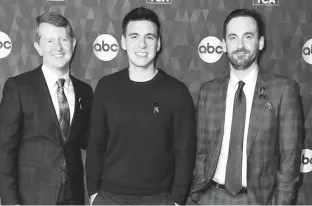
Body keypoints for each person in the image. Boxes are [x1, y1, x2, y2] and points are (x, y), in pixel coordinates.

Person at [187, 9, 303, 205]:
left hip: (259, 200)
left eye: (247, 36)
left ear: (260, 42)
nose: (240, 45)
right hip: (210, 197)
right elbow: (201, 152)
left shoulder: (283, 90)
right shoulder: (209, 91)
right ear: (223, 45)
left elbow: (290, 159)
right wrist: (197, 195)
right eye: (233, 37)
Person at [86, 6, 196, 205]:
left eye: (149, 37)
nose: (142, 44)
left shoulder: (176, 92)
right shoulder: (106, 87)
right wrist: (94, 194)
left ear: (159, 43)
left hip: (159, 199)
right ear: (124, 42)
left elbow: (185, 152)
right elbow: (95, 144)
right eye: (134, 36)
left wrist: (177, 200)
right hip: (109, 198)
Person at [0, 12, 93, 205]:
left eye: (63, 39)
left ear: (73, 44)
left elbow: (89, 140)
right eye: (49, 40)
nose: (57, 47)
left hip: (73, 196)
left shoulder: (85, 91)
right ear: (38, 47)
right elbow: (4, 150)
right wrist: (10, 201)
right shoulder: (18, 87)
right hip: (31, 198)